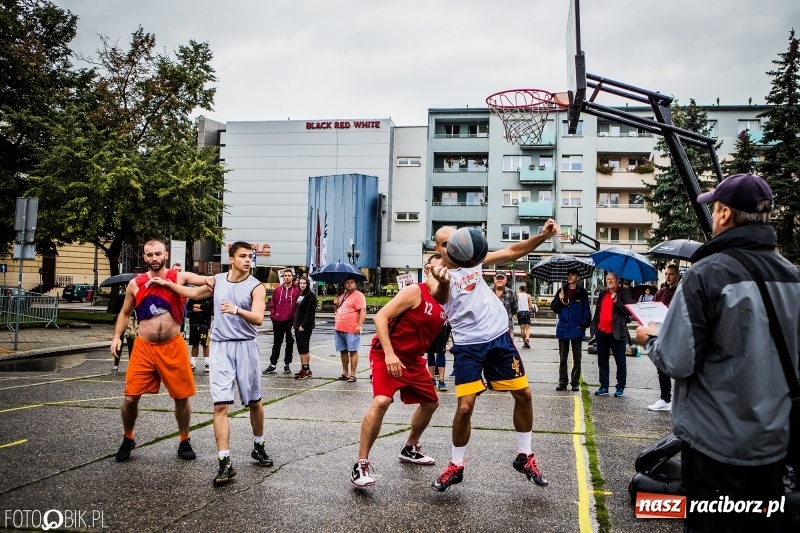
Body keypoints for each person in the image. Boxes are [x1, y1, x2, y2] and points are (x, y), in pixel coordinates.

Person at [636, 173, 798, 532]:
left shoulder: (706, 274)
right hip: (774, 444)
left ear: (724, 214)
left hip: (716, 448)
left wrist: (649, 338)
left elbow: (677, 360)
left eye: (714, 210)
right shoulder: (792, 276)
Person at [431, 220, 558, 492]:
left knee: (524, 395)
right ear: (438, 248)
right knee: (464, 407)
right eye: (445, 244)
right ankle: (455, 465)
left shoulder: (474, 259)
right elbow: (440, 297)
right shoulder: (437, 273)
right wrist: (442, 282)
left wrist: (544, 236)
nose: (452, 247)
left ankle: (525, 456)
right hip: (468, 346)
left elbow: (513, 251)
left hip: (499, 339)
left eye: (455, 241)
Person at [153, 241, 272, 487]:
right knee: (220, 405)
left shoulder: (256, 287)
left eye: (250, 256)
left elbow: (259, 318)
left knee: (254, 402)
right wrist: (169, 285)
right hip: (220, 347)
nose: (248, 260)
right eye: (243, 256)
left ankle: (258, 445)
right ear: (231, 258)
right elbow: (193, 294)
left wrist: (237, 310)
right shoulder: (217, 281)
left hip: (246, 346)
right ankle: (224, 463)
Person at [351, 255, 451, 487]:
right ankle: (361, 463)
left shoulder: (446, 298)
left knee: (431, 403)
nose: (446, 269)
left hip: (414, 359)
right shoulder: (415, 291)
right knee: (382, 401)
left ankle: (410, 448)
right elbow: (380, 316)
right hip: (388, 353)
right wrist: (389, 354)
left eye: (449, 266)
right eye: (441, 264)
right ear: (428, 269)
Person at [110, 240, 209, 462]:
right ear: (144, 258)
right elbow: (125, 313)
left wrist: (213, 279)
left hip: (173, 345)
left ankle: (184, 440)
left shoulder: (179, 277)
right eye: (149, 255)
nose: (154, 258)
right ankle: (128, 437)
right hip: (144, 347)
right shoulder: (136, 284)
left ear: (165, 254)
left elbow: (207, 282)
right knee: (130, 398)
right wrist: (116, 337)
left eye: (158, 254)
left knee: (181, 397)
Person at [589, 272, 632, 397]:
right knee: (602, 361)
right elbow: (598, 311)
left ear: (617, 280)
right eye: (608, 279)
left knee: (620, 362)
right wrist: (595, 327)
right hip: (601, 332)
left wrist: (617, 301)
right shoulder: (603, 293)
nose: (610, 281)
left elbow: (628, 312)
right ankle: (604, 386)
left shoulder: (623, 293)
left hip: (616, 333)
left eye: (612, 279)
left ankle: (620, 387)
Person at [551, 268, 591, 392]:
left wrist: (583, 325)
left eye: (572, 275)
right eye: (568, 274)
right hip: (563, 328)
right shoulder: (561, 290)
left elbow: (586, 311)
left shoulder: (582, 292)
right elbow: (555, 308)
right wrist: (559, 299)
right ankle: (563, 382)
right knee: (563, 357)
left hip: (576, 328)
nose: (569, 276)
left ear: (578, 277)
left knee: (577, 357)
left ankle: (575, 382)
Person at [647, 264, 679, 411]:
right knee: (661, 367)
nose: (667, 277)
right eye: (666, 274)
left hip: (676, 333)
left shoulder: (681, 291)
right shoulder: (660, 293)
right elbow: (653, 310)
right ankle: (665, 398)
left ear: (677, 275)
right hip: (661, 333)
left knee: (678, 367)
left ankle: (678, 400)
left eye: (671, 274)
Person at [264, 269, 299, 375]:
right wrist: (273, 315)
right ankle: (273, 364)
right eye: (285, 276)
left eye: (289, 275)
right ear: (283, 277)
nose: (287, 277)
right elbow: (272, 304)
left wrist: (295, 319)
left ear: (292, 277)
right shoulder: (278, 290)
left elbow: (299, 306)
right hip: (278, 321)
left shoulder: (297, 290)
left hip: (290, 321)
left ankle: (287, 364)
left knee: (289, 343)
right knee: (277, 342)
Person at [334, 276, 366, 382]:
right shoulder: (342, 296)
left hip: (351, 328)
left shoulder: (358, 296)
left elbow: (363, 311)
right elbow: (338, 310)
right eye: (347, 282)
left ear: (355, 284)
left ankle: (353, 374)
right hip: (339, 328)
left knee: (353, 351)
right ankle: (345, 373)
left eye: (352, 282)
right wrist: (336, 305)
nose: (349, 284)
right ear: (344, 284)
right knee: (343, 351)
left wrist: (359, 325)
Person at [293, 276, 317, 380]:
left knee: (303, 349)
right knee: (302, 348)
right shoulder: (301, 294)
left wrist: (303, 325)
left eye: (304, 283)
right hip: (298, 325)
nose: (302, 285)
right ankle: (306, 368)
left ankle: (305, 369)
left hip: (304, 326)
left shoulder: (310, 295)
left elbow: (310, 312)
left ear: (308, 284)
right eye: (301, 283)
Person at [188, 294, 213, 373]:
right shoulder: (194, 295)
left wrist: (198, 307)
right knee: (194, 344)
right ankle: (193, 364)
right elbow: (188, 307)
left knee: (205, 344)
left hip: (205, 323)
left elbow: (209, 306)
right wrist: (202, 307)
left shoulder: (210, 296)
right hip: (194, 323)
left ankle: (207, 364)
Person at [490, 272, 517, 341]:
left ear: (506, 280)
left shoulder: (511, 293)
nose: (499, 280)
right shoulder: (488, 291)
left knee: (507, 350)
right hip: (490, 328)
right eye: (498, 278)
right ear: (494, 280)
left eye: (502, 278)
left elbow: (514, 310)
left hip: (507, 327)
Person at [516, 285, 533, 349]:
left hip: (520, 312)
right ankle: (527, 339)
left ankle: (524, 342)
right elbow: (530, 306)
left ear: (520, 289)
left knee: (522, 329)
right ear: (525, 289)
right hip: (526, 312)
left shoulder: (517, 295)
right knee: (528, 328)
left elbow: (515, 304)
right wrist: (533, 310)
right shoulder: (528, 296)